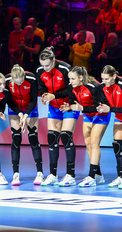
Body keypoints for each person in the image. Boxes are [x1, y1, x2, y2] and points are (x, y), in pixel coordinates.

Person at [36, 47, 80, 187]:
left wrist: (54, 95)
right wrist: (44, 96)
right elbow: (42, 88)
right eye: (42, 65)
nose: (45, 68)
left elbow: (71, 89)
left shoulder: (65, 69)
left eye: (47, 65)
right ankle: (53, 175)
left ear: (54, 60)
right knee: (52, 138)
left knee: (66, 136)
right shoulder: (40, 71)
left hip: (69, 104)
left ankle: (70, 175)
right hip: (54, 107)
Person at [60, 66, 110, 187]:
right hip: (88, 115)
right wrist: (69, 107)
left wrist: (81, 108)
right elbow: (73, 103)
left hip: (101, 114)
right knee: (88, 143)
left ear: (81, 78)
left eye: (73, 79)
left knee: (94, 142)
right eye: (69, 79)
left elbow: (100, 107)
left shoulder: (94, 87)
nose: (70, 81)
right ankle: (98, 174)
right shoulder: (72, 88)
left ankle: (91, 177)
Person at [5, 65, 44, 186]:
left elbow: (33, 99)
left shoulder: (31, 79)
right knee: (16, 139)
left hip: (31, 109)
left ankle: (40, 173)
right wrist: (20, 114)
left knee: (33, 138)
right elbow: (9, 101)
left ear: (24, 76)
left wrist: (26, 115)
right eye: (17, 82)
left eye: (21, 81)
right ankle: (15, 174)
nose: (20, 83)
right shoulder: (6, 82)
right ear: (12, 78)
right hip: (15, 109)